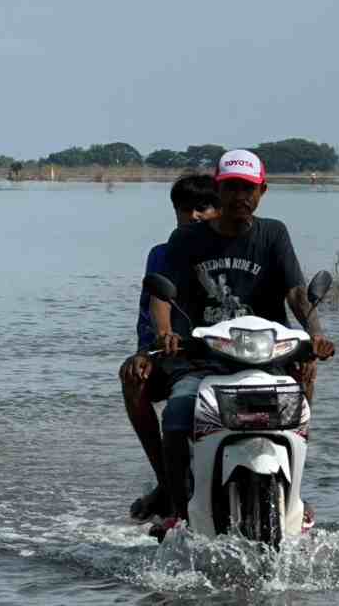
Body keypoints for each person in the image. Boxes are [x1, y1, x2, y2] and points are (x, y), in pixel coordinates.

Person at [150, 149, 336, 528]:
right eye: (232, 187)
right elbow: (161, 294)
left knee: (298, 408)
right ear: (218, 189)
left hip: (267, 357)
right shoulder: (186, 238)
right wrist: (166, 333)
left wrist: (315, 334)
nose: (240, 197)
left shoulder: (273, 233)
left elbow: (297, 292)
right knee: (178, 412)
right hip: (205, 356)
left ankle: (296, 496)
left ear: (262, 191)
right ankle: (177, 504)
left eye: (248, 188)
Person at [119, 174, 220, 520]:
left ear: (218, 210)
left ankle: (292, 487)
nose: (193, 216)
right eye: (185, 209)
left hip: (229, 354)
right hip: (176, 356)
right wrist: (146, 351)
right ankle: (166, 483)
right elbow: (150, 310)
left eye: (203, 208)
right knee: (133, 377)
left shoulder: (236, 248)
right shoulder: (162, 254)